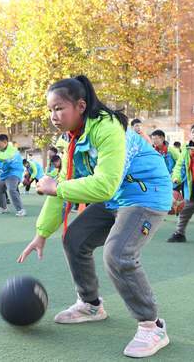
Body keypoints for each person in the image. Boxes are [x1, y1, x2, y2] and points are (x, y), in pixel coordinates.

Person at [17, 75, 172, 358]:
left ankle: (153, 325)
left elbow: (102, 184)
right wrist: (41, 233)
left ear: (80, 105)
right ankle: (90, 304)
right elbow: (60, 189)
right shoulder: (71, 140)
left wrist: (58, 186)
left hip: (147, 195)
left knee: (118, 254)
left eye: (59, 108)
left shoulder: (108, 128)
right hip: (116, 198)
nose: (53, 116)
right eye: (50, 110)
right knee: (75, 239)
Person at [0, 134, 26, 216]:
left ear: (5, 142)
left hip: (14, 173)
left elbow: (4, 158)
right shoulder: (1, 152)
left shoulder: (12, 150)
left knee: (11, 189)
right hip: (5, 174)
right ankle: (3, 208)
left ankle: (21, 210)